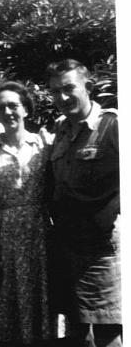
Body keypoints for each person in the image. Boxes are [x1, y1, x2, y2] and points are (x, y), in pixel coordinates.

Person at [46, 59, 121, 347]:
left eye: (68, 88)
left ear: (87, 86)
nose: (62, 98)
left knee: (108, 333)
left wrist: (113, 212)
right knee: (78, 333)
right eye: (54, 92)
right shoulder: (61, 130)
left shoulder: (112, 125)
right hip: (69, 246)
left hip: (102, 249)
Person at [0, 81, 55, 346]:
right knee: (8, 307)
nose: (8, 112)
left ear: (25, 108)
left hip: (39, 236)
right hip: (4, 239)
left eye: (14, 105)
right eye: (1, 107)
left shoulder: (44, 144)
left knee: (42, 302)